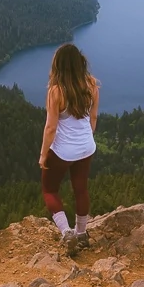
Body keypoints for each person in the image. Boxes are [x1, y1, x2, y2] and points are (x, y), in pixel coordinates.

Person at [39, 43, 99, 253]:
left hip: (64, 151)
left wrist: (43, 154)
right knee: (81, 189)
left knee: (50, 190)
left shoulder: (56, 91)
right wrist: (84, 140)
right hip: (86, 147)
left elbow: (50, 127)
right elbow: (93, 118)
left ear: (58, 65)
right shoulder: (91, 85)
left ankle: (66, 233)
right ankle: (81, 234)